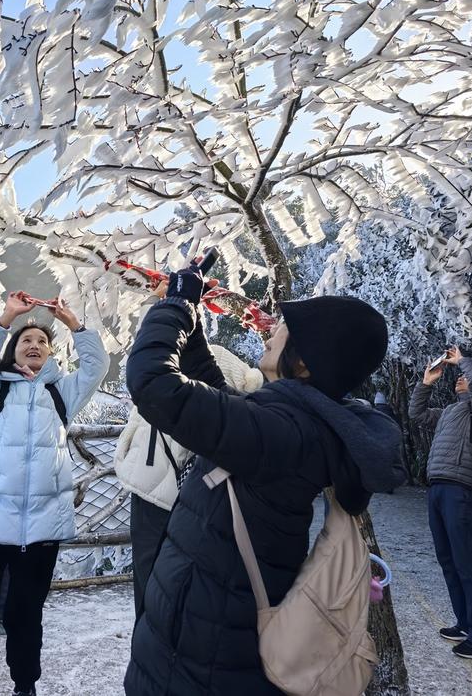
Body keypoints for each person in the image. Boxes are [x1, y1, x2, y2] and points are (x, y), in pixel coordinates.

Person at [123, 264, 405, 696]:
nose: (271, 331)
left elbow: (153, 385)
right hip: (206, 637)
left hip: (201, 659)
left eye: (285, 328)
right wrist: (192, 321)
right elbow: (220, 398)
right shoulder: (297, 423)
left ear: (307, 362)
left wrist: (175, 307)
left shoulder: (286, 432)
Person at [0, 291, 109, 696]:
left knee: (26, 615)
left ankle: (25, 686)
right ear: (14, 352)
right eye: (26, 341)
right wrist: (4, 320)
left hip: (41, 529)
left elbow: (96, 367)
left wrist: (75, 325)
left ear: (51, 354)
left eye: (42, 342)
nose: (34, 345)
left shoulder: (60, 393)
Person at [115, 291, 264, 614]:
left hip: (180, 487)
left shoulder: (206, 363)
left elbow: (241, 393)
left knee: (168, 591)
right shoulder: (154, 365)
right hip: (160, 488)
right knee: (163, 586)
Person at [408, 345, 472, 660]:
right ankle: (466, 624)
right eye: (458, 375)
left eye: (462, 376)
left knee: (468, 561)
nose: (459, 378)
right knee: (448, 560)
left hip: (462, 489)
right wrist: (426, 383)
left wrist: (463, 360)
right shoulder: (448, 412)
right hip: (438, 487)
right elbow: (416, 415)